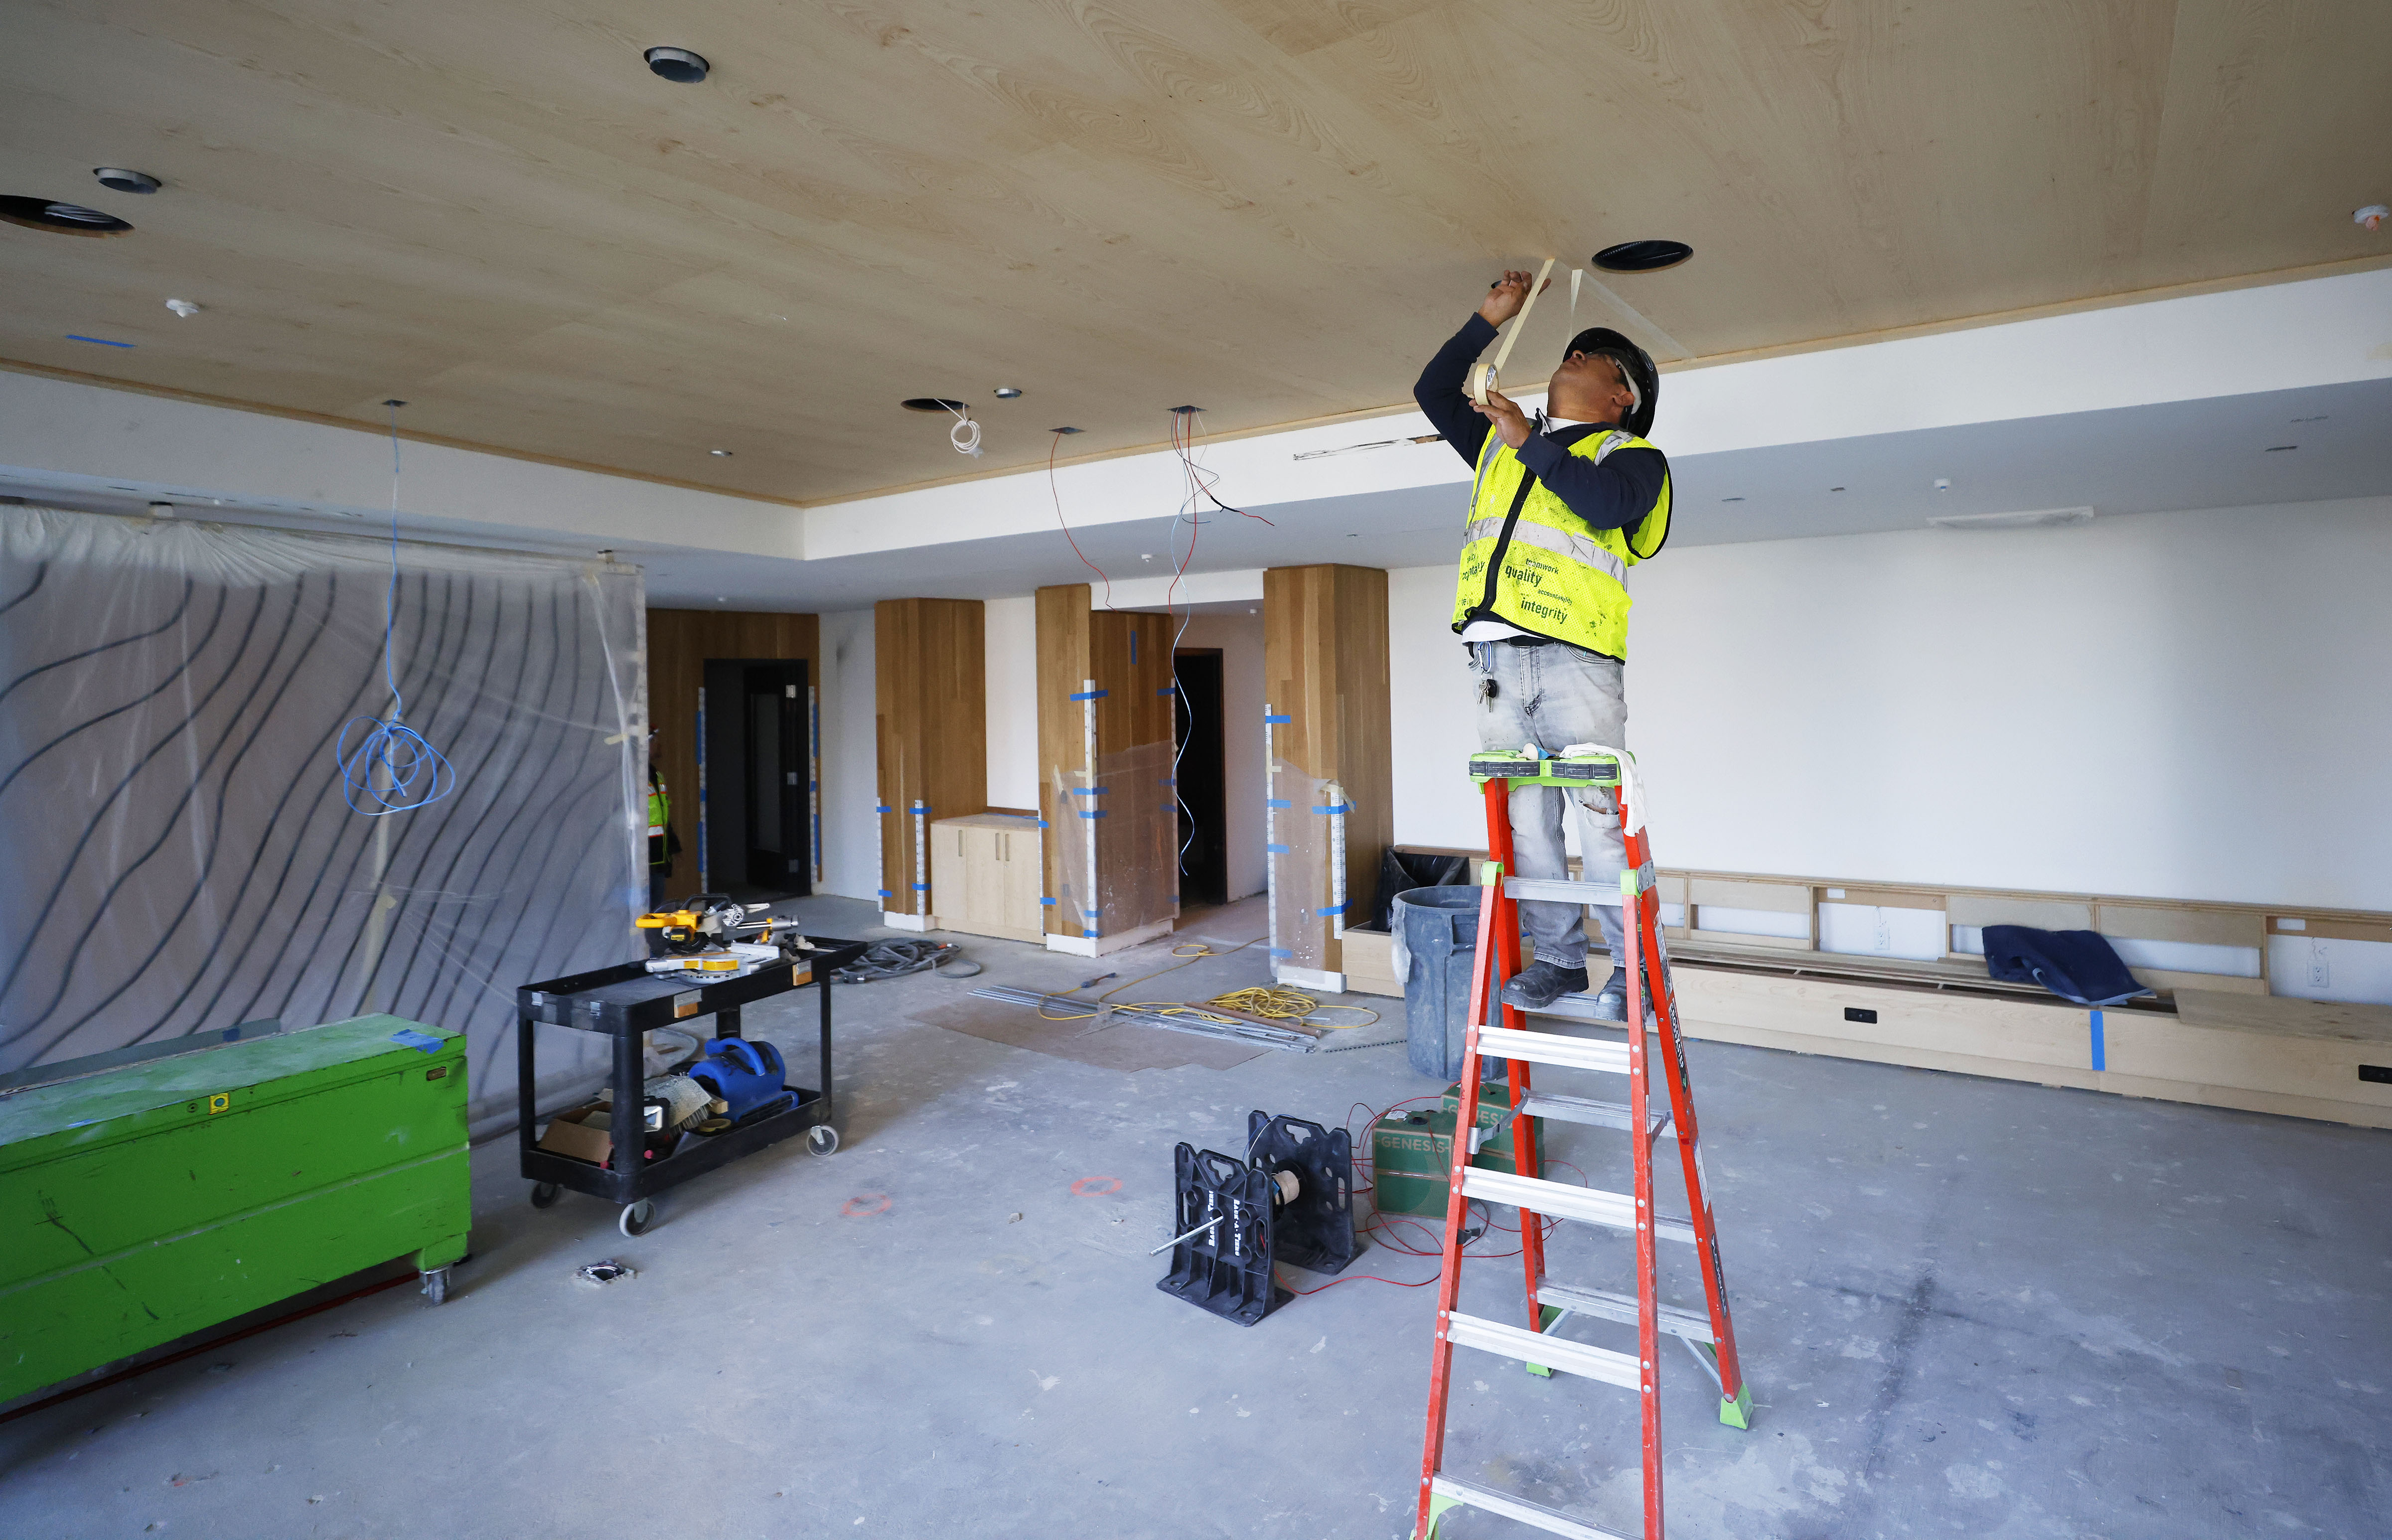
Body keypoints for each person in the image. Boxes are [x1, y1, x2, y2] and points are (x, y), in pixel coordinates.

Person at [1414, 270, 1671, 1016]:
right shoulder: (1502, 448)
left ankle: (1631, 970)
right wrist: (1485, 319)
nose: (1573, 355)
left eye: (1591, 357)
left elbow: (1606, 504)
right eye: (1571, 350)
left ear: (1622, 395)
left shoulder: (1632, 457)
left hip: (1575, 662)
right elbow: (1434, 391)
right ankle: (1559, 958)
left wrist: (1528, 440)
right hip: (1495, 665)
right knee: (1529, 823)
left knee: (1599, 816)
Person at [646, 731, 683, 912]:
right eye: (655, 742)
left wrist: (674, 849)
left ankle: (653, 939)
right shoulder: (633, 778)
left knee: (656, 909)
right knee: (643, 910)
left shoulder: (657, 776)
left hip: (658, 859)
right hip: (643, 860)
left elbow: (662, 819)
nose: (659, 746)